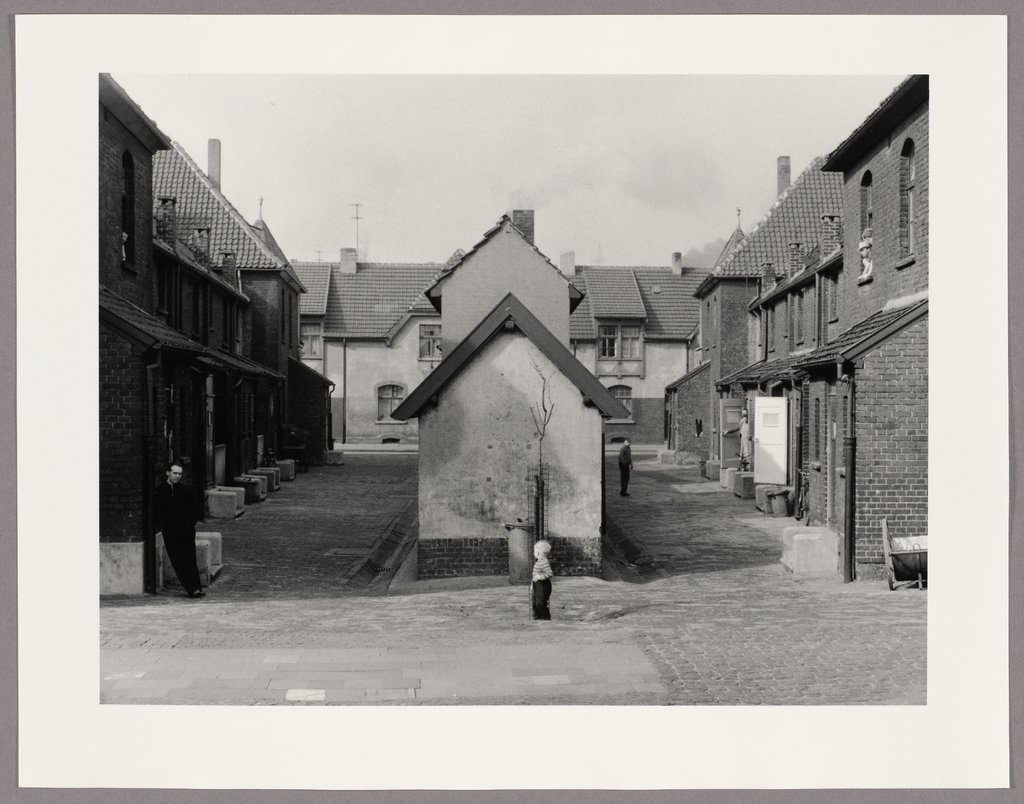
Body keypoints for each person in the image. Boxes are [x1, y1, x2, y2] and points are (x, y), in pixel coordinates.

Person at [153, 461, 205, 598]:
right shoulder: (159, 490)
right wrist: (163, 524)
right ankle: (191, 588)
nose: (177, 476)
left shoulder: (185, 490)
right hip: (170, 531)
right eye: (175, 473)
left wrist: (189, 524)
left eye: (180, 474)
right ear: (168, 473)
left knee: (190, 558)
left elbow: (195, 509)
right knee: (178, 560)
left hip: (186, 530)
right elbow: (156, 511)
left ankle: (196, 588)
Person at [531, 539, 553, 620]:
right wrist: (532, 586)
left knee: (540, 603)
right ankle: (537, 617)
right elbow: (534, 575)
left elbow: (550, 574)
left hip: (543, 585)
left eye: (534, 551)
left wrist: (540, 577)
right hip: (537, 585)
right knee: (535, 603)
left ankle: (545, 617)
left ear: (538, 552)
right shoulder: (539, 561)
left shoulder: (544, 562)